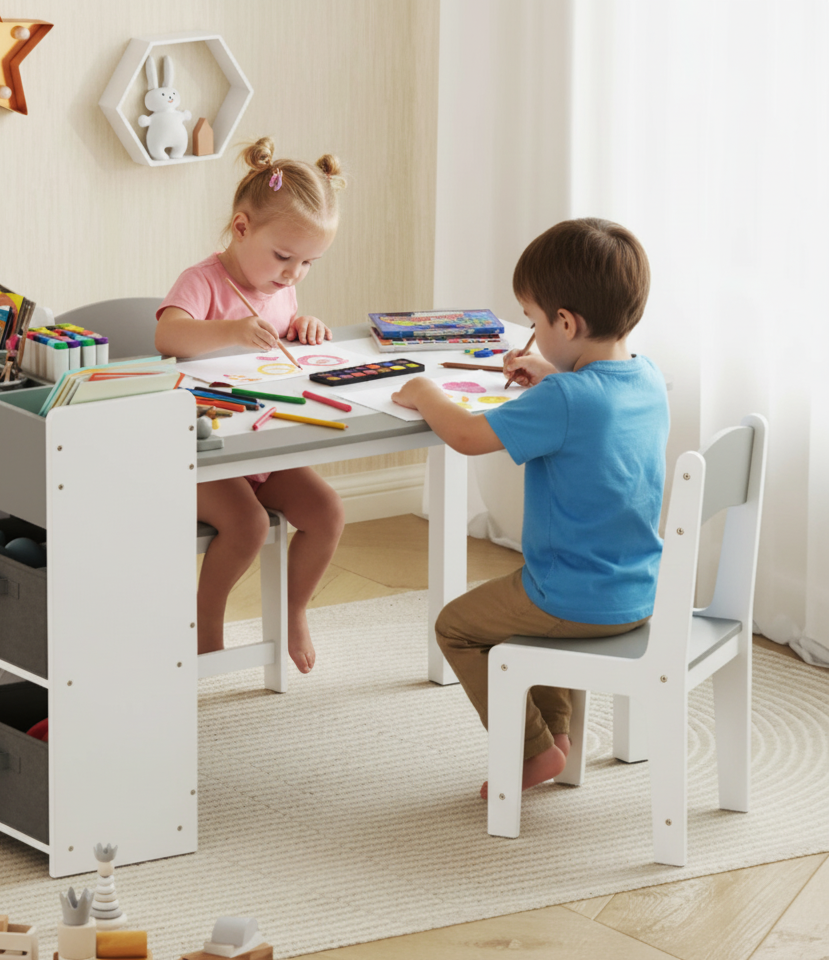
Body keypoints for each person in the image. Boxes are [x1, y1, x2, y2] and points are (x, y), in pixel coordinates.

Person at [391, 218, 668, 797]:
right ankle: (556, 743)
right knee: (524, 619)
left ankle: (531, 752)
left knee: (458, 627)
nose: (533, 333)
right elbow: (592, 411)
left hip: (570, 595)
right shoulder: (646, 379)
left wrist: (423, 391)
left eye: (535, 321)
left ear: (566, 322)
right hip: (636, 590)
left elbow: (466, 435)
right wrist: (552, 374)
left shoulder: (568, 398)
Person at [155, 137, 347, 674]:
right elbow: (169, 338)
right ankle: (206, 620)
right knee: (248, 526)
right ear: (242, 228)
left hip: (262, 445)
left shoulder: (280, 287)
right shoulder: (203, 282)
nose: (292, 274)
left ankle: (294, 611)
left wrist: (302, 324)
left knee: (327, 513)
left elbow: (279, 338)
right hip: (205, 455)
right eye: (284, 257)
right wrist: (231, 331)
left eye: (308, 262)